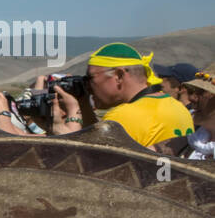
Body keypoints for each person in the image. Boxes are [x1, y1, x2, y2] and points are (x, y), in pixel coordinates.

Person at [57, 43, 194, 148]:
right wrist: (83, 105)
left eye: (90, 78)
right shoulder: (177, 107)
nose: (87, 86)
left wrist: (59, 129)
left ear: (118, 76)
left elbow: (87, 162)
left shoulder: (122, 118)